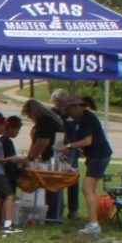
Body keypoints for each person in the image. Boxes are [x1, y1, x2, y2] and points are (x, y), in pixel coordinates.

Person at [58, 95, 113, 236]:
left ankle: (94, 224)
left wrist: (69, 146)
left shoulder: (87, 118)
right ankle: (93, 222)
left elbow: (88, 141)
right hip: (95, 156)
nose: (69, 113)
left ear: (77, 107)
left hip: (100, 155)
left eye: (69, 109)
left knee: (87, 188)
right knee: (90, 189)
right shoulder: (81, 119)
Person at [22, 97, 64, 220]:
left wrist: (30, 158)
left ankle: (52, 216)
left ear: (33, 112)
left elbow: (42, 143)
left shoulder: (44, 122)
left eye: (29, 115)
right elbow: (35, 143)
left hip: (53, 157)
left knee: (52, 187)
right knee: (54, 188)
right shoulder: (51, 119)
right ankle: (54, 215)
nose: (30, 118)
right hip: (56, 155)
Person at [50, 88, 80, 219]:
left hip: (71, 149)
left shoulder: (71, 114)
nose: (56, 104)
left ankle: (73, 209)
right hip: (56, 148)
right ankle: (58, 208)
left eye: (58, 101)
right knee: (57, 177)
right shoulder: (52, 114)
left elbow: (75, 132)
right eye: (55, 101)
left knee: (72, 178)